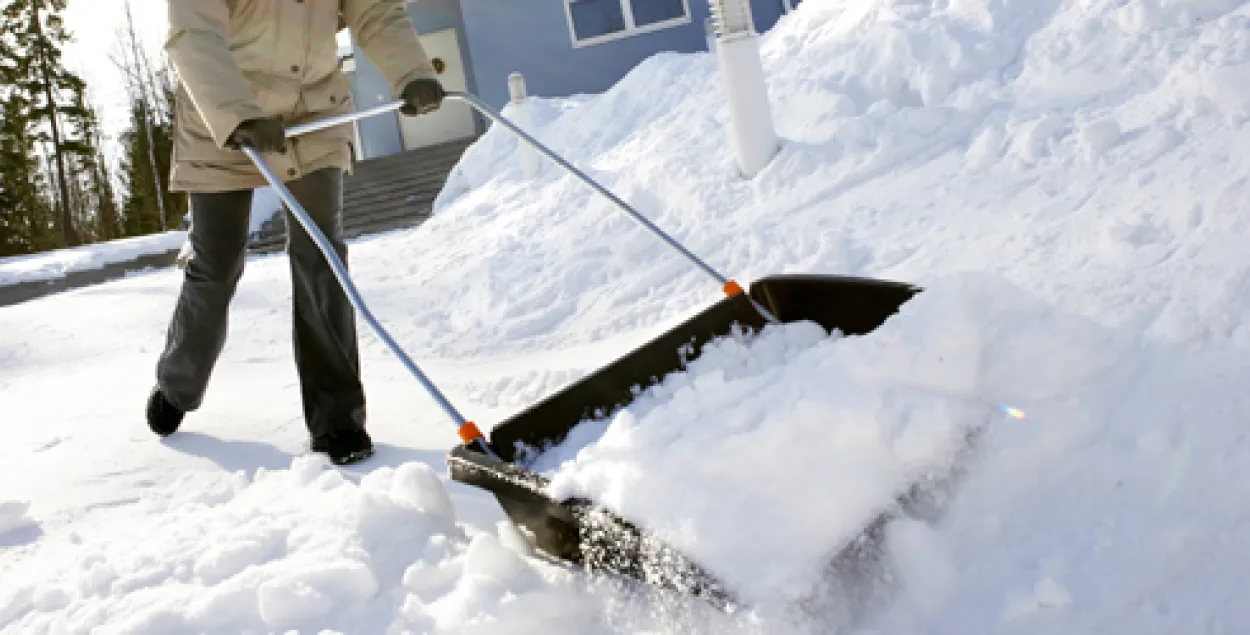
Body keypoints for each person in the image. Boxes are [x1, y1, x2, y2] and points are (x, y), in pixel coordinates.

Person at [146, 0, 446, 465]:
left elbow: (376, 12)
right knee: (217, 263)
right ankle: (177, 385)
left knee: (320, 254)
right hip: (221, 117)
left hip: (313, 114)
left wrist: (411, 72)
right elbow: (193, 32)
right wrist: (238, 113)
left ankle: (337, 419)